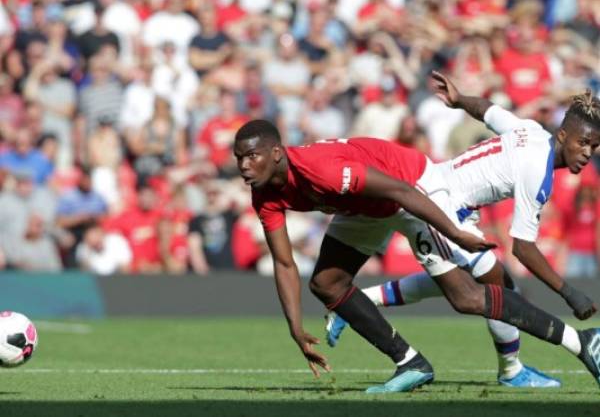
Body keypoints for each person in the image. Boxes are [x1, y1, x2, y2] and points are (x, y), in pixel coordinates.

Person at [234, 119, 600, 393]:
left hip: (413, 187)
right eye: (239, 159)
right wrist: (295, 328)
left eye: (252, 156)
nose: (244, 166)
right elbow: (284, 263)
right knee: (326, 284)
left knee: (468, 296)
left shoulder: (323, 170)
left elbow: (399, 189)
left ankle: (581, 343)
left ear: (276, 153)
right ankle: (410, 362)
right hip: (365, 207)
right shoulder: (264, 193)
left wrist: (453, 231)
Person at [325, 71, 600, 388]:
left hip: (443, 197)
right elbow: (523, 247)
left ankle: (360, 303)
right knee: (481, 290)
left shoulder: (531, 129)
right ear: (563, 135)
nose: (587, 152)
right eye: (583, 143)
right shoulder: (538, 170)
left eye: (594, 146)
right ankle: (514, 370)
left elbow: (487, 110)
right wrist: (569, 293)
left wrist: (458, 101)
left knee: (485, 283)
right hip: (437, 207)